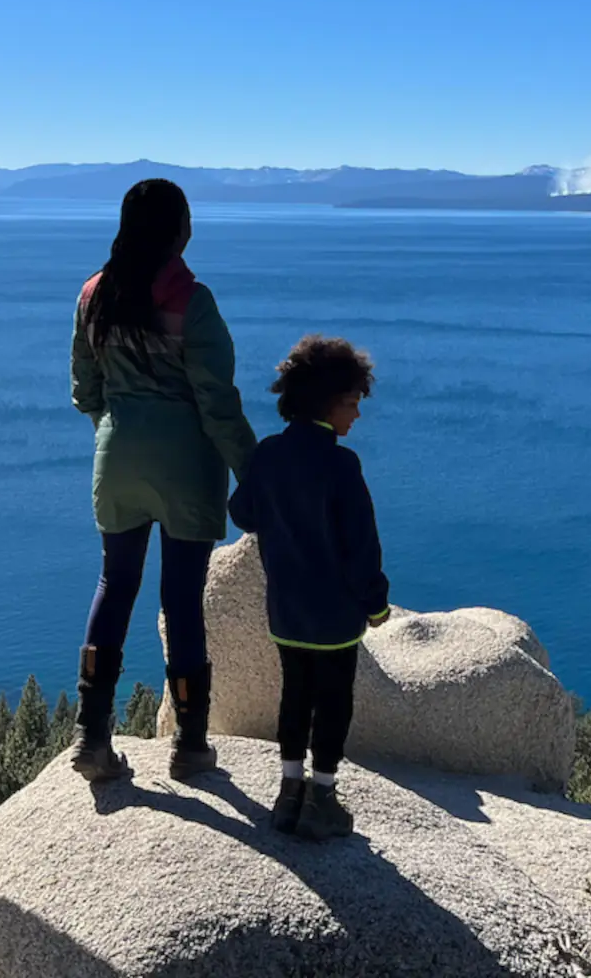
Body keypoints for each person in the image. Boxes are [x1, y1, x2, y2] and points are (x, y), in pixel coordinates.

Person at [70, 179, 257, 783]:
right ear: (179, 230)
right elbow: (218, 407)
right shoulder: (191, 301)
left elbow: (85, 391)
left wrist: (117, 429)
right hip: (186, 466)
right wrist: (256, 475)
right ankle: (191, 745)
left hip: (117, 458)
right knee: (181, 600)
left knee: (114, 582)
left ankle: (91, 737)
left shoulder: (94, 295)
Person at [228, 335, 388, 841]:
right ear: (326, 401)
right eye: (352, 402)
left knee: (294, 696)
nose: (357, 414)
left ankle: (288, 793)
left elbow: (242, 514)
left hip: (287, 613)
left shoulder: (269, 455)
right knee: (333, 701)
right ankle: (322, 798)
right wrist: (376, 604)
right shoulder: (342, 465)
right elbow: (361, 547)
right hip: (335, 617)